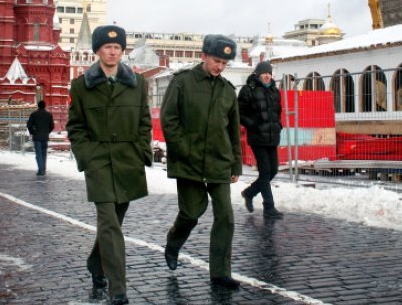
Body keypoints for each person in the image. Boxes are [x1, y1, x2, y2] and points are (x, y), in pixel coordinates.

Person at [66, 25, 152, 305]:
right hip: (99, 161)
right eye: (107, 47)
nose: (112, 51)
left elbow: (144, 122)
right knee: (109, 223)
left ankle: (95, 262)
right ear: (98, 51)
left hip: (128, 161)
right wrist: (87, 156)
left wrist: (141, 151)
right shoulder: (81, 86)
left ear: (122, 51)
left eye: (117, 47)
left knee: (114, 221)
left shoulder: (138, 84)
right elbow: (75, 126)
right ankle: (118, 289)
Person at [160, 34, 242, 290]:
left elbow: (233, 131)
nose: (220, 66)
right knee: (192, 212)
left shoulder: (228, 90)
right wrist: (184, 150)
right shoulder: (182, 82)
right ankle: (173, 242)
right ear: (203, 56)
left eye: (225, 63)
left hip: (219, 162)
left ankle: (220, 273)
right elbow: (169, 119)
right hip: (189, 163)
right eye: (217, 60)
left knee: (225, 217)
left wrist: (235, 164)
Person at [238, 61, 284, 218]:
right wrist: (254, 125)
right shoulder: (248, 90)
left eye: (270, 73)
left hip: (272, 136)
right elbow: (239, 113)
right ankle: (269, 207)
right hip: (257, 137)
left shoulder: (274, 91)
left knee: (273, 170)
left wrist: (278, 125)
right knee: (265, 172)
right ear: (258, 74)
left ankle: (249, 193)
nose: (267, 76)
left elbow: (278, 112)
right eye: (265, 73)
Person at [27, 99, 55, 176]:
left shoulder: (34, 114)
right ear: (45, 106)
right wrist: (47, 132)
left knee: (38, 154)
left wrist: (33, 132)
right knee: (44, 154)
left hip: (37, 138)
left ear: (38, 106)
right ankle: (43, 169)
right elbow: (52, 126)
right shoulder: (49, 114)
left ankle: (41, 170)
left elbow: (29, 125)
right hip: (45, 137)